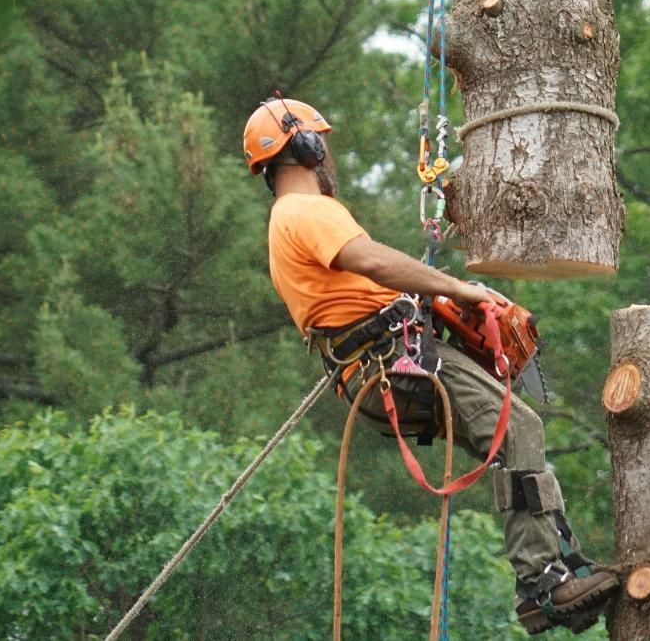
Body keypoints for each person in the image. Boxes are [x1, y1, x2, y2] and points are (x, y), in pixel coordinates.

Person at [243, 96, 621, 635]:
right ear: (304, 144)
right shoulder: (306, 211)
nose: (328, 154)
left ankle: (561, 562)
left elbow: (360, 282)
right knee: (519, 427)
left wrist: (435, 307)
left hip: (375, 368)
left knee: (518, 440)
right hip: (391, 359)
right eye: (320, 142)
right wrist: (456, 287)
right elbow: (371, 259)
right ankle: (542, 581)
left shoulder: (288, 220)